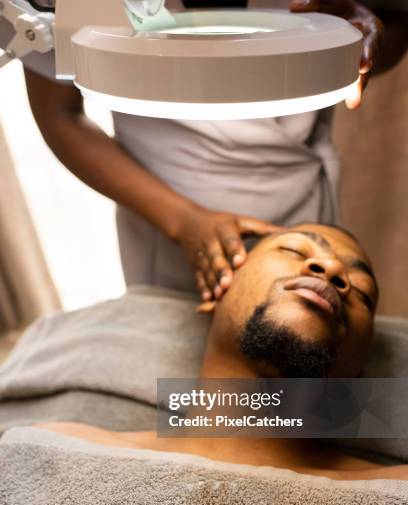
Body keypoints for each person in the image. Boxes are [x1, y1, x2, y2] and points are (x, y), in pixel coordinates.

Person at [2, 0, 405, 304]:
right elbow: (60, 115)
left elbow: (392, 24)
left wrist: (358, 40)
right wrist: (183, 222)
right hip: (169, 221)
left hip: (305, 187)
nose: (328, 270)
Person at [35, 222, 408, 480]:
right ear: (219, 289)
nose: (330, 268)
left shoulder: (396, 495)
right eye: (295, 249)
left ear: (359, 369)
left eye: (361, 292)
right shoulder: (56, 450)